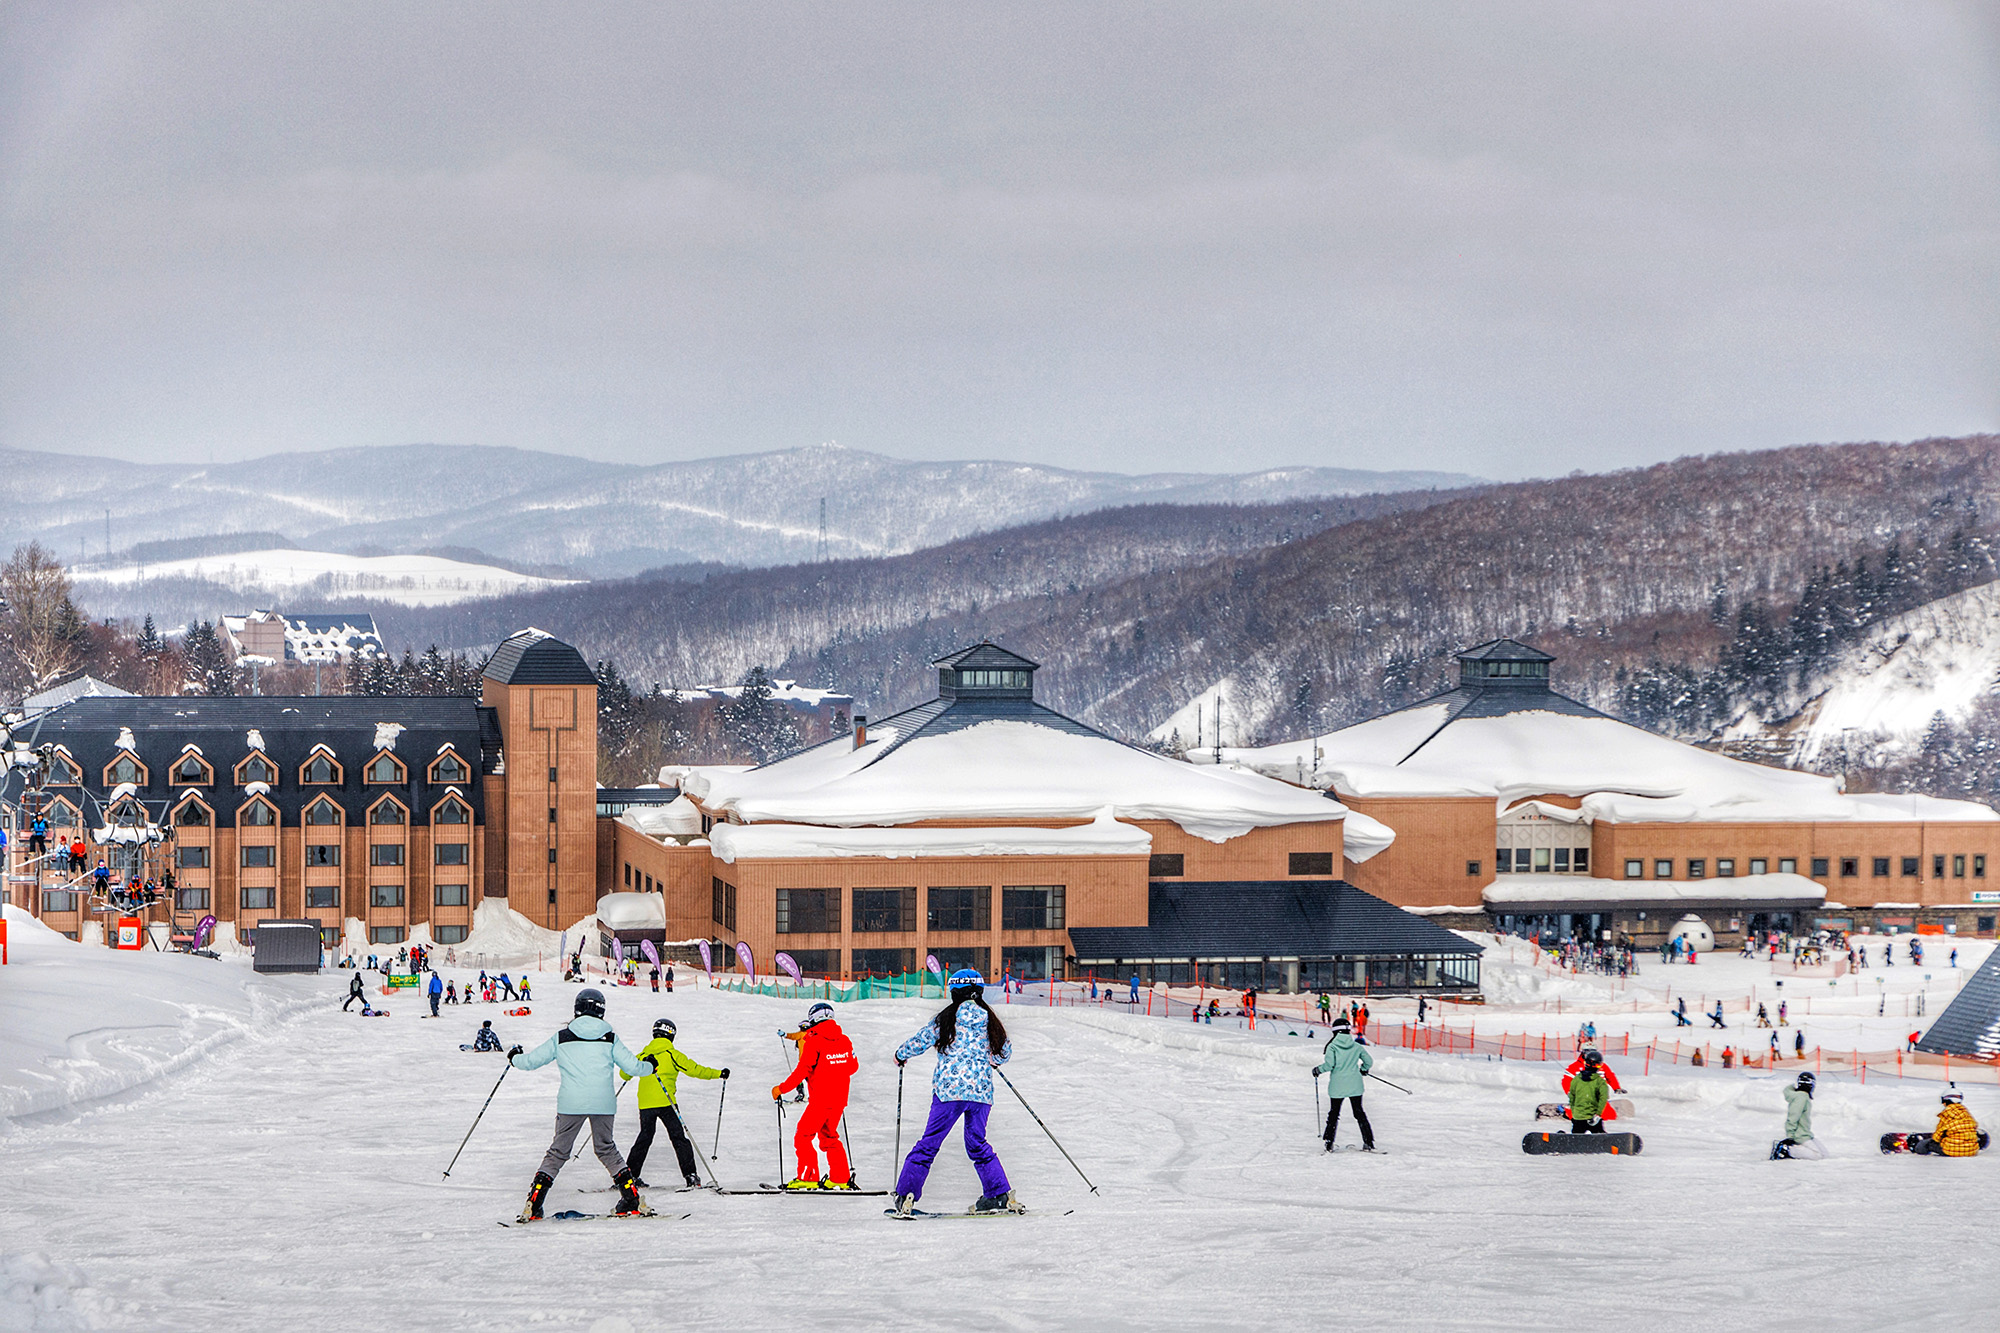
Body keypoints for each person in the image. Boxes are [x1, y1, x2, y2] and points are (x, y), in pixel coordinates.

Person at [507, 987, 657, 1220]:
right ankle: (631, 1199)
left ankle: (534, 1202)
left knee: (558, 1152)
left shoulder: (562, 1036)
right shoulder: (609, 1038)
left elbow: (531, 1061)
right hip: (603, 1103)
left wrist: (515, 1057)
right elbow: (634, 1067)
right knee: (606, 1148)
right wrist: (650, 1065)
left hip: (571, 1103)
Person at [892, 969, 1020, 1216]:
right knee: (977, 1143)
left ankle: (907, 1194)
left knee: (929, 1143)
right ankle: (997, 1194)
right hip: (980, 1094)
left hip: (949, 1092)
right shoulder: (990, 1019)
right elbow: (1004, 1052)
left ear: (954, 993)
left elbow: (921, 1040)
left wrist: (900, 1055)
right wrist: (990, 1060)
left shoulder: (947, 1018)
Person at [623, 1017, 728, 1187]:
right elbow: (695, 1070)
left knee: (644, 1138)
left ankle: (629, 1178)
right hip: (667, 1103)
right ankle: (691, 1176)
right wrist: (718, 1073)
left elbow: (624, 1072)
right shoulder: (672, 1054)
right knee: (678, 1138)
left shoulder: (643, 1055)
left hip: (646, 1104)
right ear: (671, 1035)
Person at [772, 1002, 860, 1189]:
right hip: (839, 1100)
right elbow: (853, 1067)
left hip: (821, 1100)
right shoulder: (844, 1040)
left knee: (803, 1136)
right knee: (829, 1137)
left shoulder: (814, 1041)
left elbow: (802, 1070)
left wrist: (781, 1089)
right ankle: (840, 1177)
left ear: (813, 1019)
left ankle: (808, 1177)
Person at [1314, 1016, 1375, 1151]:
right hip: (1355, 1084)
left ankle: (1329, 1143)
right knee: (1359, 1113)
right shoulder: (1356, 1046)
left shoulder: (1332, 1046)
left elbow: (1330, 1065)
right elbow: (1369, 1062)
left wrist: (1318, 1070)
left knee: (1334, 1113)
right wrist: (1363, 1070)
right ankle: (1369, 1142)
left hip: (1338, 1085)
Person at [1770, 1072, 1826, 1159]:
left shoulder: (1803, 1096)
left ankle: (1794, 1149)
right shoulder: (1801, 1097)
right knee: (1817, 1155)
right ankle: (1787, 1150)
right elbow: (1793, 1117)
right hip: (1800, 1135)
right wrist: (1791, 1136)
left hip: (1806, 1134)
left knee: (1824, 1154)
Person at [1914, 1091, 1984, 1157]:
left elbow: (1937, 1137)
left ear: (1945, 1102)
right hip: (1971, 1151)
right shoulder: (1967, 1114)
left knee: (1925, 1144)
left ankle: (1917, 1148)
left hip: (1951, 1150)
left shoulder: (1946, 1115)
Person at [1566, 1055, 1611, 1133]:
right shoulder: (1600, 1081)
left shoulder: (1576, 1079)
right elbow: (1603, 1098)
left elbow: (1572, 1096)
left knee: (1576, 1138)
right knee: (1599, 1139)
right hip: (1593, 1117)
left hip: (1578, 1117)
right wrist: (1598, 1114)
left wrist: (1574, 1113)